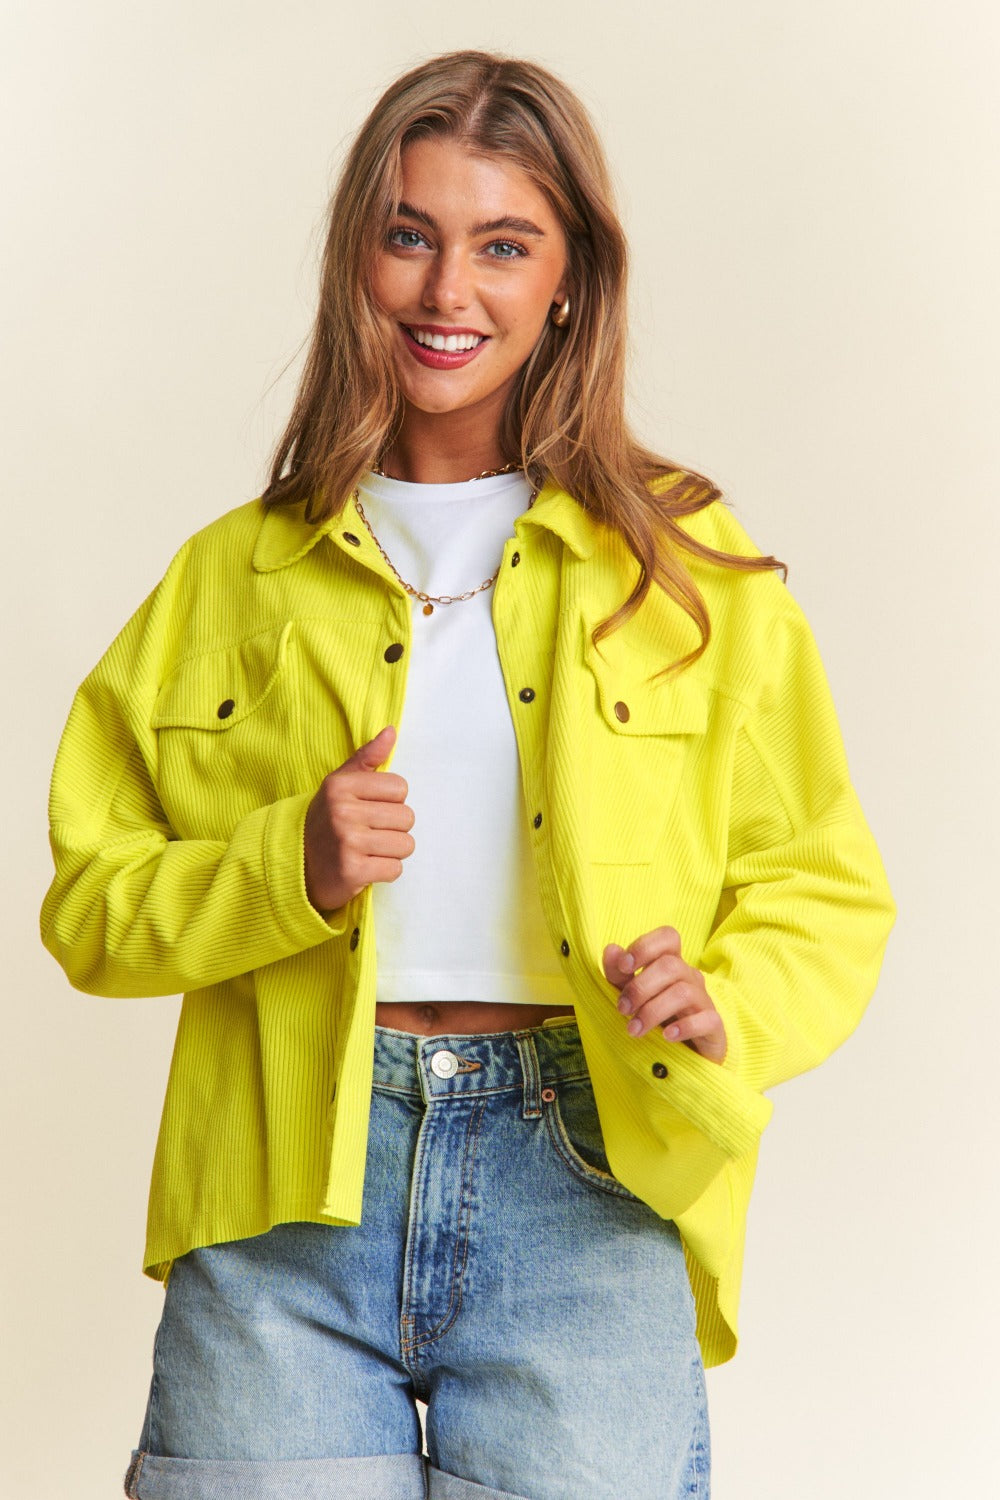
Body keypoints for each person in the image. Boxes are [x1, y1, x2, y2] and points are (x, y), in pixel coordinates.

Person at [41, 50, 894, 1500]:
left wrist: (726, 1003)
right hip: (283, 1200)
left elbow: (824, 882)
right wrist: (288, 867)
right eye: (410, 235)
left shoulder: (686, 567)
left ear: (568, 282)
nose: (449, 291)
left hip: (589, 1186)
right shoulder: (230, 576)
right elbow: (91, 906)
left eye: (504, 245)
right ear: (356, 260)